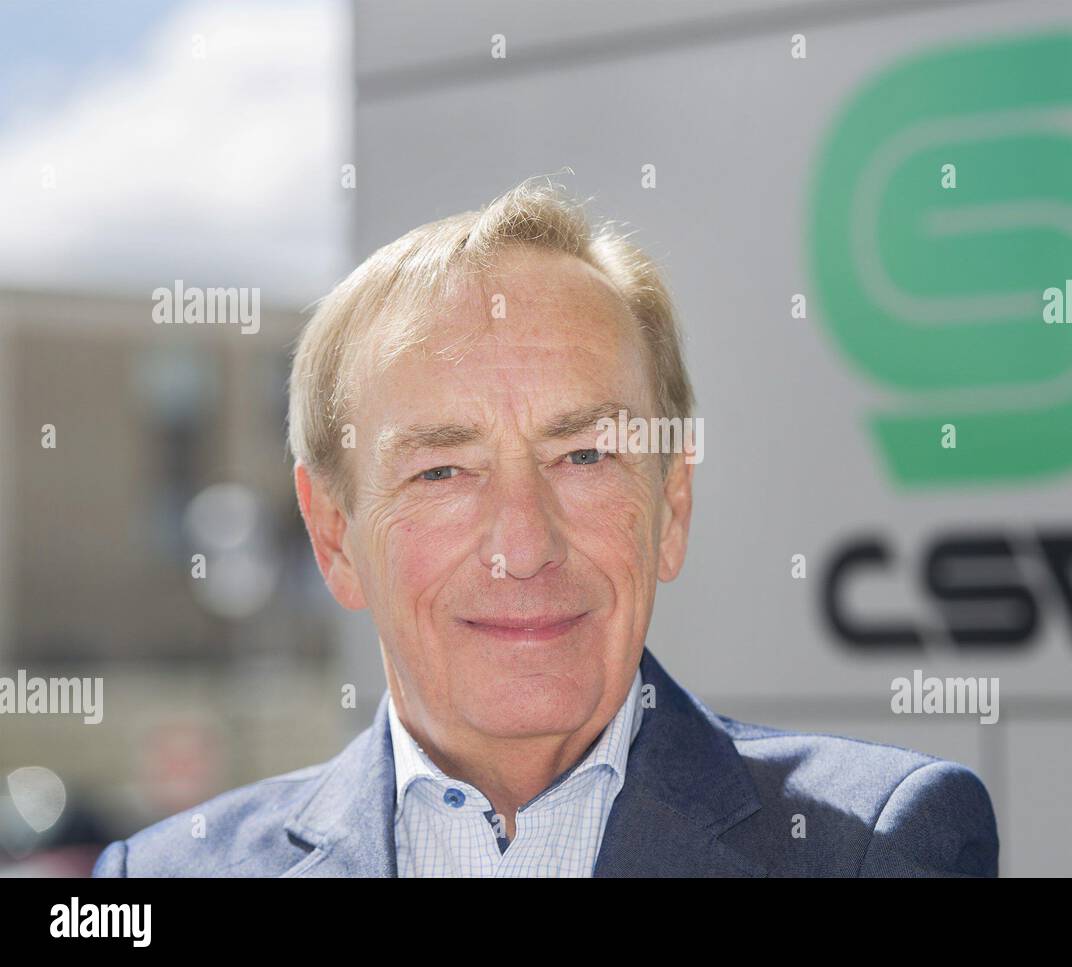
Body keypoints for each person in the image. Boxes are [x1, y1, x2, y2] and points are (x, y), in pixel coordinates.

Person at [93, 177, 998, 877]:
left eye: (585, 456)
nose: (524, 545)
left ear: (671, 507)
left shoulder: (875, 846)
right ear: (335, 537)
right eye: (443, 470)